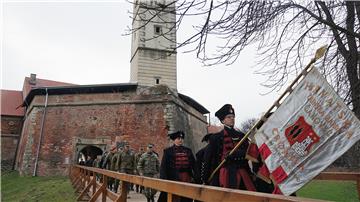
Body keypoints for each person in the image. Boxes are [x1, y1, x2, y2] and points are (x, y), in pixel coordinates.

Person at [203, 104, 256, 191]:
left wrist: (239, 154)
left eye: (233, 116)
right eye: (229, 117)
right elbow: (208, 159)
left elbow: (249, 153)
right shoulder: (216, 138)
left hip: (244, 173)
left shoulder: (242, 136)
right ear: (223, 120)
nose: (232, 119)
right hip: (226, 174)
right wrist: (205, 179)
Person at [158, 131, 196, 202]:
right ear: (174, 140)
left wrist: (196, 177)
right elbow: (163, 167)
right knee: (174, 198)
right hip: (173, 178)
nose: (180, 140)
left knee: (186, 197)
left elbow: (194, 165)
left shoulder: (188, 151)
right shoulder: (168, 151)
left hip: (186, 178)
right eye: (178, 138)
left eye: (182, 138)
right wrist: (164, 180)